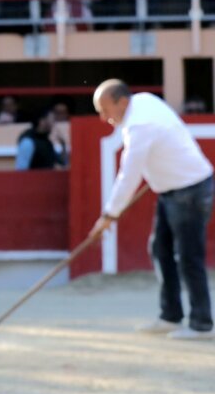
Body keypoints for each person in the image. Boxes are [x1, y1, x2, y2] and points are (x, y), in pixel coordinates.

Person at [90, 80, 214, 339]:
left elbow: (129, 175)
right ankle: (171, 316)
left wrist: (109, 216)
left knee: (188, 257)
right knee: (160, 249)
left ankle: (201, 324)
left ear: (122, 102)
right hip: (173, 189)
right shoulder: (145, 101)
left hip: (188, 190)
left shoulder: (139, 126)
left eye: (105, 110)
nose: (103, 117)